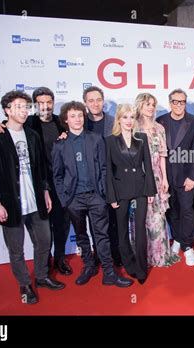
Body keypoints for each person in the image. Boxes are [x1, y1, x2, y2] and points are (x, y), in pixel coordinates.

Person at [0, 90, 65, 305]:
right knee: (16, 249)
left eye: (26, 107)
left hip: (36, 200)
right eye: (19, 107)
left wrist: (45, 191)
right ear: (7, 110)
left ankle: (42, 277)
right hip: (10, 203)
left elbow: (41, 168)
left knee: (44, 241)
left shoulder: (32, 135)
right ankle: (25, 284)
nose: (24, 111)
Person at [52, 101, 133, 287]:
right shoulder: (60, 145)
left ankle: (109, 272)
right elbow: (57, 175)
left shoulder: (96, 139)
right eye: (72, 116)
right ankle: (88, 266)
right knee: (81, 236)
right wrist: (65, 199)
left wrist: (105, 194)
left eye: (80, 115)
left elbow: (105, 168)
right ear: (66, 119)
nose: (77, 119)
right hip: (74, 199)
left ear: (84, 116)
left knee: (102, 236)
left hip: (96, 197)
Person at [106, 104, 157, 284]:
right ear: (119, 119)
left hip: (141, 187)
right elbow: (109, 172)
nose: (129, 121)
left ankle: (142, 270)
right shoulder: (110, 140)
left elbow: (148, 166)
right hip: (120, 190)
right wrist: (111, 196)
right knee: (122, 232)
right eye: (125, 117)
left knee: (140, 231)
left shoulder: (141, 138)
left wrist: (150, 190)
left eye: (131, 117)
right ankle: (130, 265)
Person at [156, 89, 194, 266]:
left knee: (187, 211)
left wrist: (192, 177)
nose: (178, 105)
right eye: (175, 101)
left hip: (186, 177)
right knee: (172, 211)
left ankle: (188, 245)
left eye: (182, 102)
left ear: (185, 103)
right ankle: (176, 238)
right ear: (170, 103)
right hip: (166, 177)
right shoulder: (160, 121)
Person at [134, 93, 180, 267]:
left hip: (156, 177)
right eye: (147, 104)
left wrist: (165, 179)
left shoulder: (159, 128)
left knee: (157, 217)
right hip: (138, 177)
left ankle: (158, 256)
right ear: (140, 105)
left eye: (153, 104)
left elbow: (162, 156)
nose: (151, 107)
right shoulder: (133, 127)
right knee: (139, 218)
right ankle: (141, 258)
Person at [82, 86, 122, 267]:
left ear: (103, 101)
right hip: (90, 182)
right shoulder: (79, 123)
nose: (95, 103)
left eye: (98, 99)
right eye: (91, 100)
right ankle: (99, 255)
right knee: (95, 223)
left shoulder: (114, 122)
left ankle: (116, 254)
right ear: (85, 103)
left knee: (114, 221)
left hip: (112, 179)